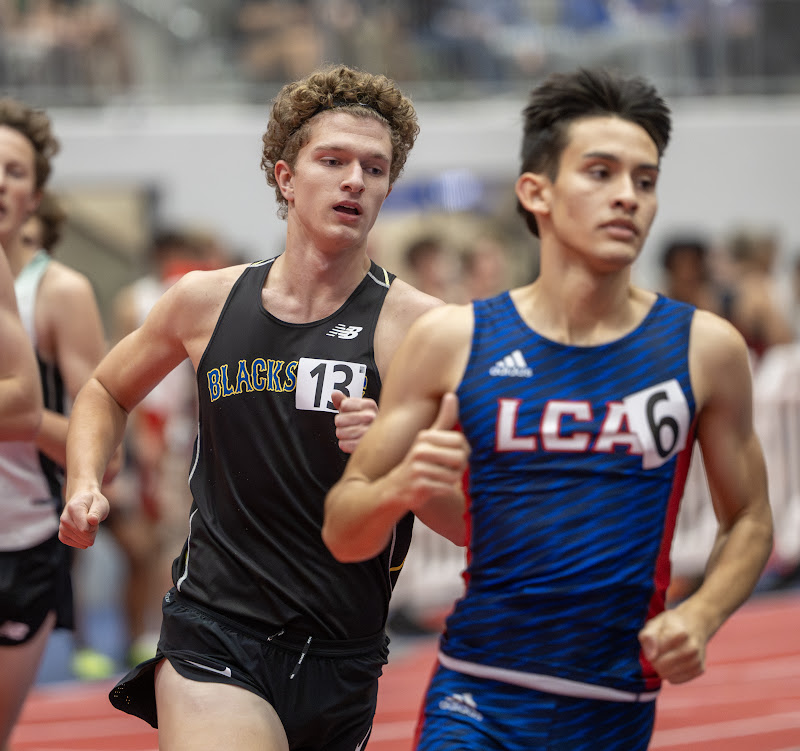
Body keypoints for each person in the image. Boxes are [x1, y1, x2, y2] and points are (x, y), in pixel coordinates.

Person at [322, 67, 775, 750]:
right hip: (476, 696)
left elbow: (750, 519)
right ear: (536, 192)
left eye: (645, 180)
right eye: (600, 173)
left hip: (614, 707)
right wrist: (400, 487)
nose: (626, 196)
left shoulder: (704, 349)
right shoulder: (453, 341)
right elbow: (343, 530)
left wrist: (703, 613)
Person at [58, 64, 461, 751]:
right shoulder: (204, 301)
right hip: (214, 630)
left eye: (374, 168)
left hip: (342, 651)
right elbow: (106, 389)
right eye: (332, 161)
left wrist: (397, 459)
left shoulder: (423, 329)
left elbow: (469, 523)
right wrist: (85, 479)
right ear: (285, 177)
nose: (354, 181)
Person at [0, 100, 107, 750]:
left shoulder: (58, 292)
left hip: (21, 539)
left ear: (34, 197)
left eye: (13, 171)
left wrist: (20, 416)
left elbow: (101, 445)